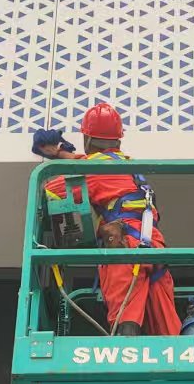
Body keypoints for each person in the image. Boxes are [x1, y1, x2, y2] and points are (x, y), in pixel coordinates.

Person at [33, 103, 181, 337]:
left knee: (126, 318)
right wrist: (62, 153)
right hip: (154, 247)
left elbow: (53, 190)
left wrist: (58, 165)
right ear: (118, 139)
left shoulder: (95, 168)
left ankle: (125, 351)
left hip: (124, 245)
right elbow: (95, 164)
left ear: (88, 138)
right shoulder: (127, 164)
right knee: (166, 331)